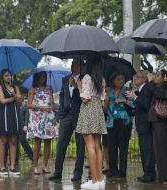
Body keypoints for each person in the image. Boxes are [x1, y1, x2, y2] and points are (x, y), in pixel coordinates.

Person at [49, 59, 85, 181]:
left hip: (80, 114)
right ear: (71, 66)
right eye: (74, 63)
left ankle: (77, 173)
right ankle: (57, 172)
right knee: (61, 144)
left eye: (79, 64)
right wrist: (61, 113)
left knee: (80, 145)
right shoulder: (65, 79)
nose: (76, 66)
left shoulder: (85, 79)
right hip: (66, 115)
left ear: (82, 66)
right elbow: (63, 95)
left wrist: (76, 86)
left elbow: (85, 96)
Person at [76, 53, 107, 189]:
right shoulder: (102, 79)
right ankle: (99, 180)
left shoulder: (87, 78)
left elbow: (84, 98)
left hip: (88, 110)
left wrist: (79, 85)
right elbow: (102, 99)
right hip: (98, 111)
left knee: (90, 146)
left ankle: (94, 181)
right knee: (97, 146)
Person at [148, 70, 167, 185]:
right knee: (158, 150)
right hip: (156, 121)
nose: (155, 77)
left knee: (165, 150)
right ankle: (163, 176)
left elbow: (160, 95)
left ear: (164, 78)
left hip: (163, 122)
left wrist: (150, 82)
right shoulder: (158, 87)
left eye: (157, 76)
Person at [126, 70, 156, 182]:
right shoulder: (141, 89)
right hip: (141, 124)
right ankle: (147, 173)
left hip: (146, 124)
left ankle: (149, 174)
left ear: (144, 78)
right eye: (134, 77)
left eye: (137, 77)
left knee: (147, 149)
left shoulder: (147, 88)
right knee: (144, 149)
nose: (135, 79)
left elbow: (146, 104)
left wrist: (135, 97)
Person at [27, 71, 58, 175]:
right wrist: (42, 107)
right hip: (38, 117)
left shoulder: (49, 89)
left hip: (48, 117)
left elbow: (52, 102)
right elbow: (29, 104)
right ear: (37, 77)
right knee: (37, 141)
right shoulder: (33, 89)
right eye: (41, 76)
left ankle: (45, 166)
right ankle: (35, 166)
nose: (43, 78)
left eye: (44, 76)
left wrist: (52, 107)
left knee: (48, 141)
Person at [105, 72, 133, 178]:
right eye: (118, 79)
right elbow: (105, 109)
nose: (121, 81)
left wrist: (124, 101)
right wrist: (106, 102)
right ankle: (112, 171)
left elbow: (134, 104)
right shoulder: (109, 91)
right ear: (113, 81)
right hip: (111, 122)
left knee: (123, 147)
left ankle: (122, 171)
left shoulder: (127, 91)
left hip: (124, 122)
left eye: (122, 79)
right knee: (112, 147)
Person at [0, 69, 22, 176]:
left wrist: (14, 95)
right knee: (3, 141)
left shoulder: (15, 87)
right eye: (6, 75)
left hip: (14, 115)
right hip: (4, 116)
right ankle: (2, 168)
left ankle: (12, 167)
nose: (8, 77)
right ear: (2, 77)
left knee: (14, 140)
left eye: (9, 75)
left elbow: (20, 102)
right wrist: (14, 98)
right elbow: (2, 101)